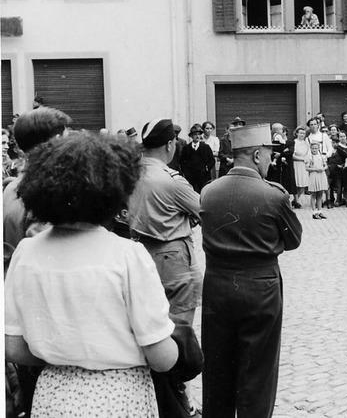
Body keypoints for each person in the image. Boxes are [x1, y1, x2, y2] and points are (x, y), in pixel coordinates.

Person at [5, 132, 178, 417]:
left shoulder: (26, 252)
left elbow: (12, 346)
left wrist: (63, 353)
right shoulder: (127, 255)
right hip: (119, 396)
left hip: (52, 396)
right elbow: (161, 357)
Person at [199, 122, 302, 417]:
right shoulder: (273, 195)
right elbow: (293, 240)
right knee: (258, 372)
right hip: (261, 289)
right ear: (257, 155)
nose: (271, 160)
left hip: (217, 287)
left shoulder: (209, 192)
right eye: (269, 154)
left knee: (217, 368)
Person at [127, 118, 202, 417]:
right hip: (173, 257)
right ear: (170, 144)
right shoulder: (171, 180)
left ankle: (157, 396)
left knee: (149, 326)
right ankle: (180, 401)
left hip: (141, 253)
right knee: (179, 331)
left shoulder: (131, 174)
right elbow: (201, 209)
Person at [3, 107, 72, 418]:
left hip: (19, 311)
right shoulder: (45, 194)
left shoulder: (11, 188)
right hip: (45, 321)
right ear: (53, 142)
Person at [180, 123, 216, 193]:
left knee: (203, 193)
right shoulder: (186, 148)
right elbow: (182, 162)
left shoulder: (206, 147)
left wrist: (206, 168)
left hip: (203, 177)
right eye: (195, 134)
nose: (197, 136)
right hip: (191, 177)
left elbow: (211, 160)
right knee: (193, 193)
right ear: (191, 136)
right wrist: (186, 173)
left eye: (199, 134)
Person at [307, 142, 329, 219]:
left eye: (316, 148)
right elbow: (307, 168)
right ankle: (314, 212)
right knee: (313, 194)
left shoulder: (321, 156)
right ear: (310, 149)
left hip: (321, 175)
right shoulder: (309, 157)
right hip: (314, 175)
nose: (314, 150)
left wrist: (323, 168)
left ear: (318, 148)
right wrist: (315, 169)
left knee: (320, 194)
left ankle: (320, 211)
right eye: (313, 148)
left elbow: (325, 165)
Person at [292, 126, 309, 208]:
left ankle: (295, 200)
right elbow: (292, 155)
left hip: (304, 166)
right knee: (296, 184)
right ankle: (296, 201)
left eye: (304, 133)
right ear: (297, 133)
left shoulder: (306, 143)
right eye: (300, 133)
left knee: (303, 185)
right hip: (296, 164)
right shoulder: (294, 142)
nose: (302, 135)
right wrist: (302, 159)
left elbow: (308, 153)